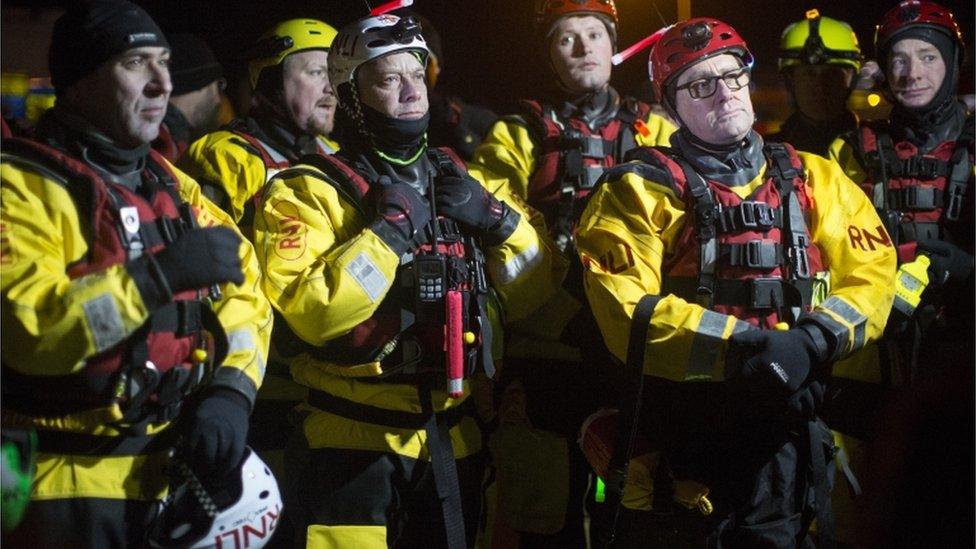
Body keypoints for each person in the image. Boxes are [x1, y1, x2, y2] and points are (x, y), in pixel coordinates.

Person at [575, 17, 896, 547]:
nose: (724, 92)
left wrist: (810, 342)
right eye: (701, 85)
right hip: (688, 443)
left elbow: (874, 273)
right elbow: (626, 312)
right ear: (671, 106)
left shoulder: (815, 175)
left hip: (792, 434)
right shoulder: (636, 190)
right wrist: (747, 351)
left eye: (733, 76)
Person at [252, 13, 560, 549]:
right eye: (389, 78)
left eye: (416, 72)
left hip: (455, 439)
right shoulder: (305, 191)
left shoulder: (462, 180)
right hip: (349, 445)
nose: (411, 89)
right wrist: (387, 237)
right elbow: (313, 314)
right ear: (351, 93)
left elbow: (536, 292)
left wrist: (499, 221)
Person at [0, 1, 272, 547]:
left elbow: (248, 297)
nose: (162, 84)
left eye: (165, 62)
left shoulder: (171, 184)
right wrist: (155, 278)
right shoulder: (20, 185)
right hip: (49, 485)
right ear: (78, 82)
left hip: (165, 477)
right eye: (134, 63)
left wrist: (231, 390)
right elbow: (27, 331)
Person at [466, 0, 675, 544]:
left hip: (632, 349)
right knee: (544, 513)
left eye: (593, 35)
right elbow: (492, 214)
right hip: (546, 348)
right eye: (566, 39)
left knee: (632, 507)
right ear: (550, 58)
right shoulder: (519, 130)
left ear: (615, 47)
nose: (583, 48)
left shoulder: (656, 126)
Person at [829, 0, 974, 379]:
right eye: (899, 60)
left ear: (953, 62)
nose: (912, 74)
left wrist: (969, 270)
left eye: (928, 57)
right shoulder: (850, 151)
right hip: (876, 353)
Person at [178, 18, 339, 227]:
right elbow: (200, 249)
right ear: (271, 82)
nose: (331, 88)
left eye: (334, 74)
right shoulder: (226, 159)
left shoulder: (335, 154)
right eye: (316, 73)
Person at [402, 11, 499, 161]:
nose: (409, 78)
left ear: (437, 67)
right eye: (391, 74)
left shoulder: (478, 123)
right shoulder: (364, 128)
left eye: (421, 61)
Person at [766, 10, 863, 156]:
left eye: (831, 74)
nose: (820, 85)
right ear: (791, 81)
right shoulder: (765, 156)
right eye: (809, 74)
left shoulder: (879, 150)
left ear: (851, 79)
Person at [152, 32, 226, 163]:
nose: (218, 100)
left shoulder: (169, 137)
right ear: (199, 84)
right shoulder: (163, 145)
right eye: (219, 85)